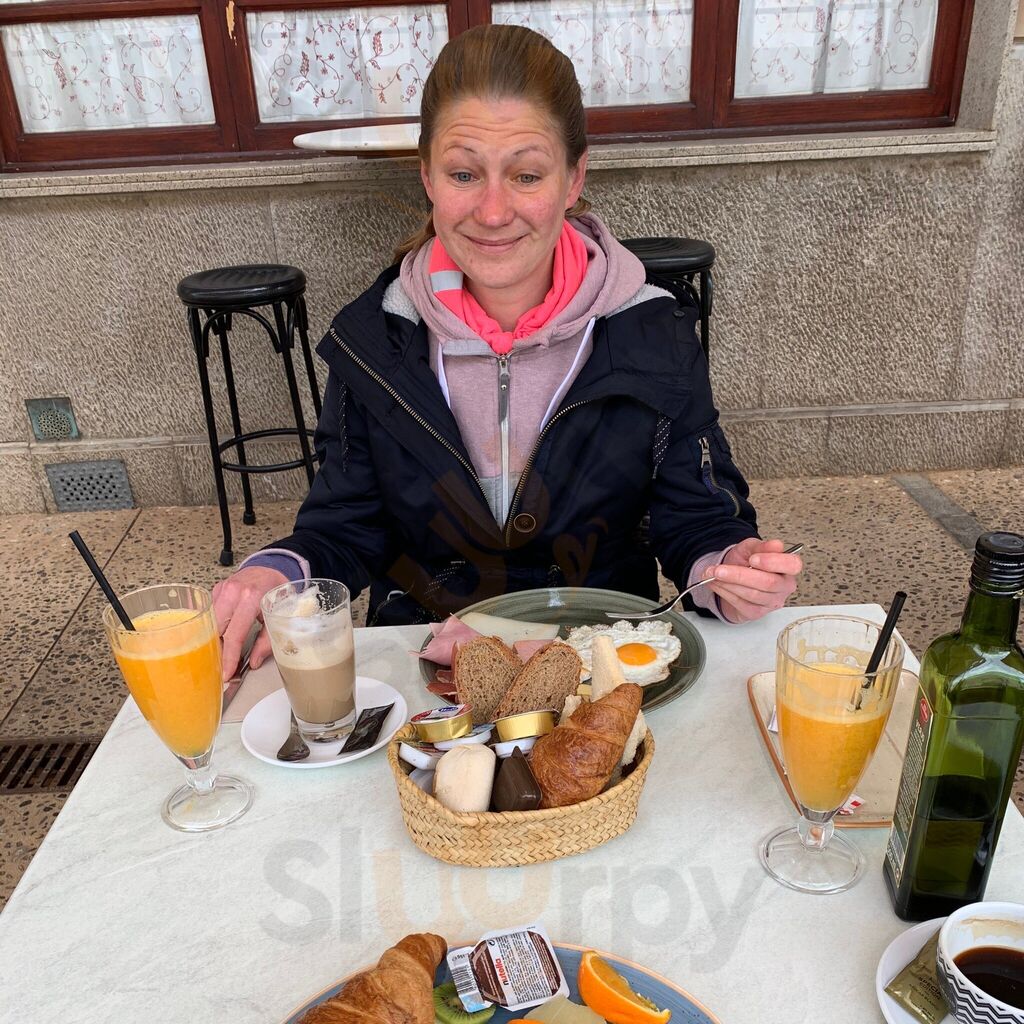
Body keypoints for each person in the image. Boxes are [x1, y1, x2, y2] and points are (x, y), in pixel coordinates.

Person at [214, 24, 803, 677]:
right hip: (430, 673)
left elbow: (697, 515)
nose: (493, 212)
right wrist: (277, 570)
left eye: (526, 174)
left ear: (573, 179)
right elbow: (345, 525)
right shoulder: (375, 341)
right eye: (464, 173)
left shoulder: (652, 333)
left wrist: (729, 569)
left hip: (601, 668)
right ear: (428, 177)